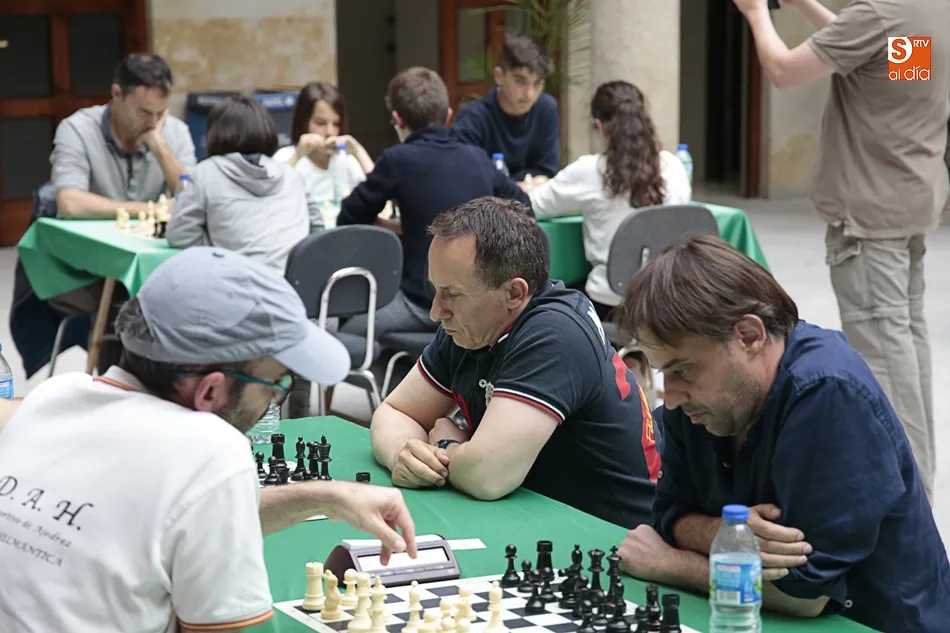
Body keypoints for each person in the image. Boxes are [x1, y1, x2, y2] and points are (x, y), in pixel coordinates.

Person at [0, 246, 418, 633]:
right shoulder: (212, 450)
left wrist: (325, 497)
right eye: (275, 383)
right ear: (211, 391)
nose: (273, 400)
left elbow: (176, 524)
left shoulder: (54, 396)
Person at [614, 235, 950, 632]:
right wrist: (725, 534)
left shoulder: (828, 393)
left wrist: (670, 564)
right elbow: (669, 514)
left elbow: (805, 594)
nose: (669, 398)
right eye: (663, 372)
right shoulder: (699, 399)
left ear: (749, 336)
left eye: (683, 370)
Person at [732, 0, 950, 503]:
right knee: (906, 345)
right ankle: (919, 479)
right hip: (907, 201)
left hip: (869, 216)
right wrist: (809, 5)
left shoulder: (879, 15)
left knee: (886, 357)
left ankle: (907, 495)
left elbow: (783, 71)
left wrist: (757, 14)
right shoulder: (920, 12)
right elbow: (872, 53)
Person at [368, 197, 660, 529]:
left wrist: (446, 445)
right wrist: (405, 454)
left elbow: (487, 475)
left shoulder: (556, 333)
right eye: (436, 289)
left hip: (612, 533)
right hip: (538, 517)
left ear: (514, 294)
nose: (436, 311)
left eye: (452, 293)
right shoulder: (470, 325)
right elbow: (395, 412)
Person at [336, 67, 530, 339]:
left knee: (349, 335)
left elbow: (348, 218)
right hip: (481, 306)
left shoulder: (397, 160)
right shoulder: (477, 158)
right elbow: (524, 208)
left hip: (423, 302)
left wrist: (390, 225)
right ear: (448, 115)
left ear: (397, 119)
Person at [528, 80, 691, 321]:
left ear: (599, 126)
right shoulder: (675, 166)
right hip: (671, 300)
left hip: (612, 304)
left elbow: (534, 205)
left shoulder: (589, 170)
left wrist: (534, 185)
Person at [166, 95, 323, 273]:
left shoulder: (204, 174)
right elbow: (317, 229)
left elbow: (179, 235)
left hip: (236, 283)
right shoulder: (292, 175)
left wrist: (219, 250)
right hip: (295, 284)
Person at [50, 52, 196, 220]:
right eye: (144, 112)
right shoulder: (77, 129)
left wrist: (161, 149)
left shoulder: (177, 132)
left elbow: (193, 201)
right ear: (117, 93)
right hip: (92, 236)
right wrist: (153, 210)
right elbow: (70, 204)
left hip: (150, 236)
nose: (153, 123)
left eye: (161, 113)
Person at [450, 33, 559, 183]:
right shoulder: (472, 119)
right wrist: (517, 188)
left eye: (538, 82)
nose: (529, 94)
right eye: (520, 81)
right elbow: (464, 178)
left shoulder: (546, 109)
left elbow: (547, 171)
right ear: (499, 76)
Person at [273, 81, 375, 208]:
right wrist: (298, 156)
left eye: (336, 124)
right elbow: (271, 198)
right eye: (320, 123)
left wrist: (358, 151)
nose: (330, 132)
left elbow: (380, 191)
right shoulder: (285, 158)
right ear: (303, 122)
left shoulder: (346, 160)